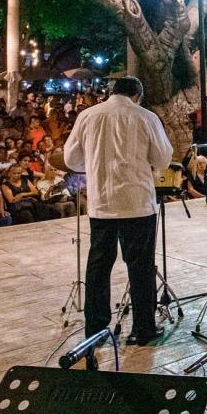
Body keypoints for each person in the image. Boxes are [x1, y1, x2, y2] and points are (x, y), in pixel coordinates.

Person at [63, 76, 174, 345]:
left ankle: (96, 330)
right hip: (136, 202)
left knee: (98, 267)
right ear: (137, 94)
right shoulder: (145, 117)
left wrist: (94, 164)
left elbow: (70, 159)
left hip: (102, 203)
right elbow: (162, 159)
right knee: (141, 266)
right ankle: (143, 328)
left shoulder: (88, 115)